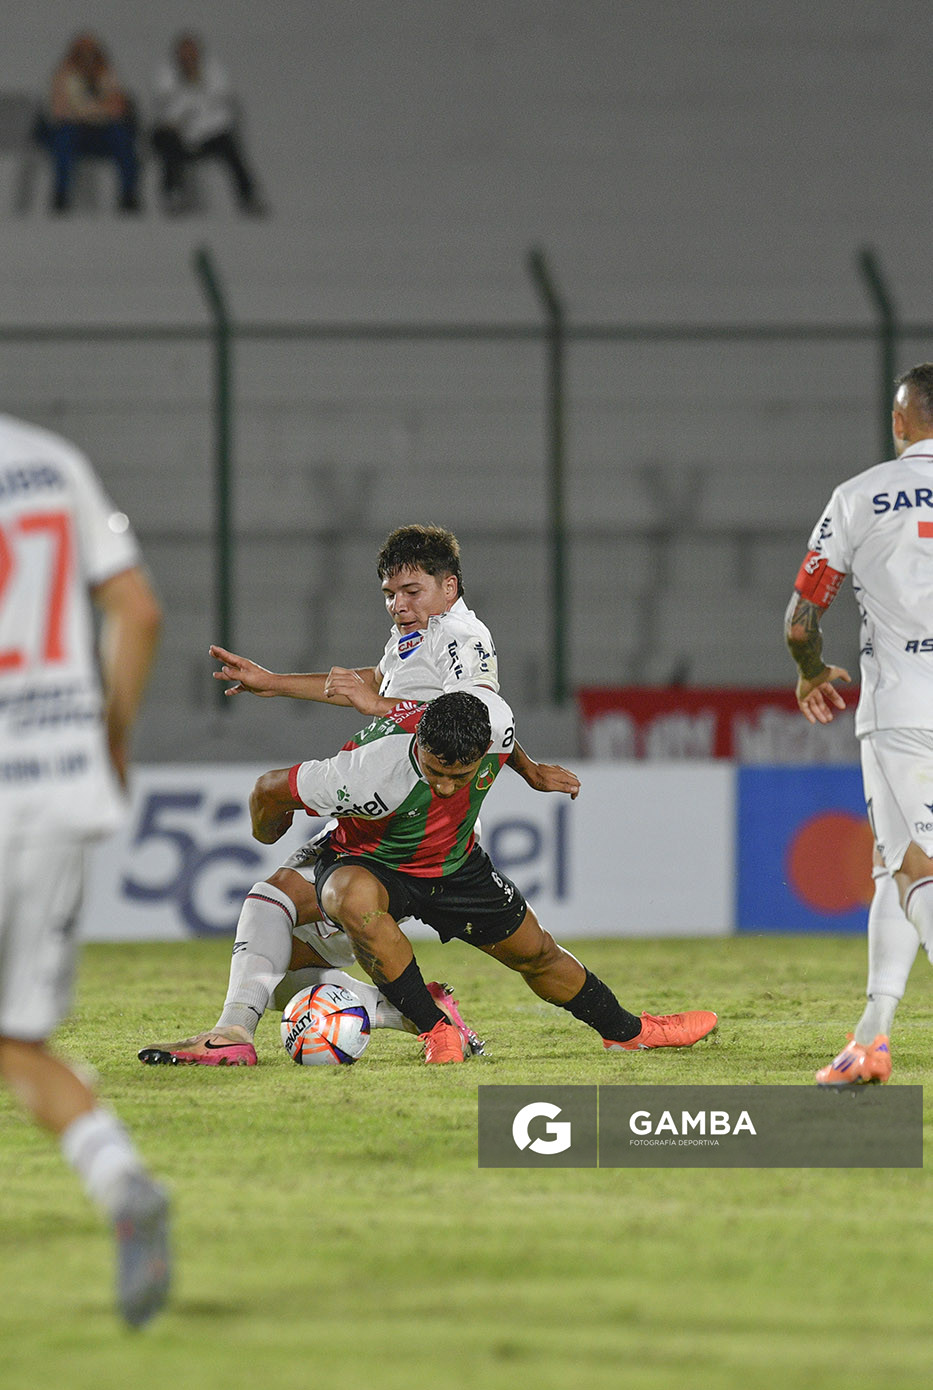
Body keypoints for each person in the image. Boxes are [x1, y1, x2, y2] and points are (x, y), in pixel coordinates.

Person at [139, 524, 581, 1067]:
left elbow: (474, 715)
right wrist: (275, 682)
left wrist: (377, 708)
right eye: (390, 595)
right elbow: (388, 681)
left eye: (412, 591)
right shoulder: (422, 632)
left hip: (411, 819)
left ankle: (238, 1033)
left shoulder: (461, 637)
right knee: (278, 966)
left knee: (273, 901)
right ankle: (413, 1012)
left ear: (450, 586)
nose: (398, 605)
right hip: (396, 813)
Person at [245, 689, 717, 1063]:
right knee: (353, 900)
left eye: (461, 776)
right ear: (419, 746)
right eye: (435, 772)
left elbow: (508, 746)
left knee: (537, 955)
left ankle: (630, 1033)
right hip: (369, 863)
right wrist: (270, 831)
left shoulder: (497, 724)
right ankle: (435, 1030)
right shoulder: (366, 772)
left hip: (455, 866)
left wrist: (530, 772)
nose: (448, 786)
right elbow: (268, 789)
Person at [0, 413, 168, 1324]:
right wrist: (107, 740)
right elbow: (137, 610)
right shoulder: (51, 460)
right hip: (59, 790)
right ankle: (121, 1182)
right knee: (16, 1038)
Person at [786, 361, 933, 1085]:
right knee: (895, 865)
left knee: (919, 870)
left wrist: (811, 670)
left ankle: (873, 1037)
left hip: (905, 710)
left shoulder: (860, 496)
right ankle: (871, 1035)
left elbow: (799, 618)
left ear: (899, 423)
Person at [151, 32, 265, 215]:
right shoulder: (166, 73)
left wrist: (193, 111)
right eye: (184, 53)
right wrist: (188, 105)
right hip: (175, 135)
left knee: (231, 147)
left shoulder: (214, 72)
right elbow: (166, 111)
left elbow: (221, 110)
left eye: (191, 52)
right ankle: (172, 195)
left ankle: (248, 197)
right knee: (168, 146)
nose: (188, 57)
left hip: (208, 134)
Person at [44, 32, 141, 213]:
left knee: (122, 136)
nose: (87, 58)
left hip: (102, 132)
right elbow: (60, 111)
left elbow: (117, 108)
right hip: (76, 132)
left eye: (91, 53)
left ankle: (129, 195)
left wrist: (87, 110)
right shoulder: (62, 75)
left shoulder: (108, 73)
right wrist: (94, 110)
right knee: (63, 138)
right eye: (82, 53)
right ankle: (60, 196)